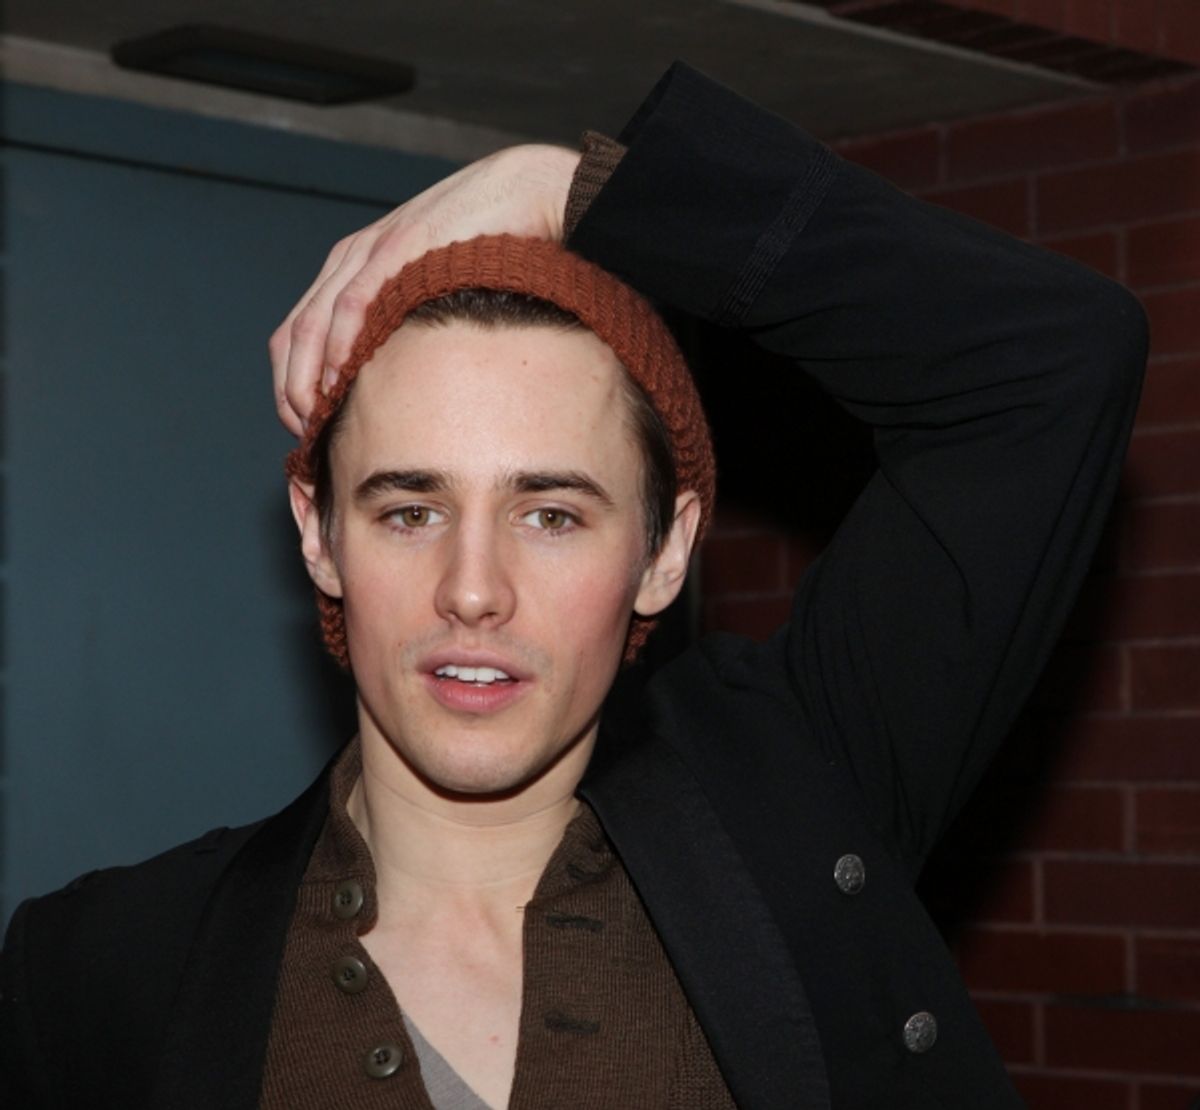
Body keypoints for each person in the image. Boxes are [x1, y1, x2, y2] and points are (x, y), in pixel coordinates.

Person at [1, 63, 1146, 1109]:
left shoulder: (796, 801)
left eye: (550, 514)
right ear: (318, 534)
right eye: (411, 509)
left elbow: (1052, 361)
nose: (473, 589)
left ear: (664, 550)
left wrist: (570, 189)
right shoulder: (104, 968)